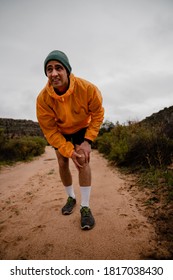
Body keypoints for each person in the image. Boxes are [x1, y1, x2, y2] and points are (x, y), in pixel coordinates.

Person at [36, 50, 104, 230]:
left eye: (58, 68)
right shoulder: (43, 99)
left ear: (67, 70)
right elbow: (49, 130)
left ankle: (85, 207)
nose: (54, 73)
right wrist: (68, 150)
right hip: (60, 130)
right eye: (49, 69)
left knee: (82, 160)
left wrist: (88, 140)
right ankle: (71, 197)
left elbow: (97, 113)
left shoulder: (87, 88)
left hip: (82, 126)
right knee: (62, 161)